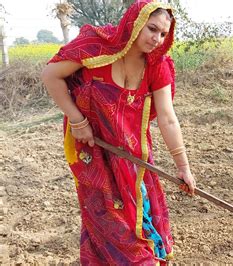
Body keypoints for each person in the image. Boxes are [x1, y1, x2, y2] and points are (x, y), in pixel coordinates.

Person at [41, 0, 196, 264]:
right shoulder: (96, 48)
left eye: (162, 34)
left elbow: (168, 119)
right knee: (107, 219)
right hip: (93, 151)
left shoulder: (157, 65)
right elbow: (50, 75)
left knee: (136, 216)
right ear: (135, 23)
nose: (157, 38)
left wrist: (183, 166)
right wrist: (77, 121)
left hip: (133, 159)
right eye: (152, 29)